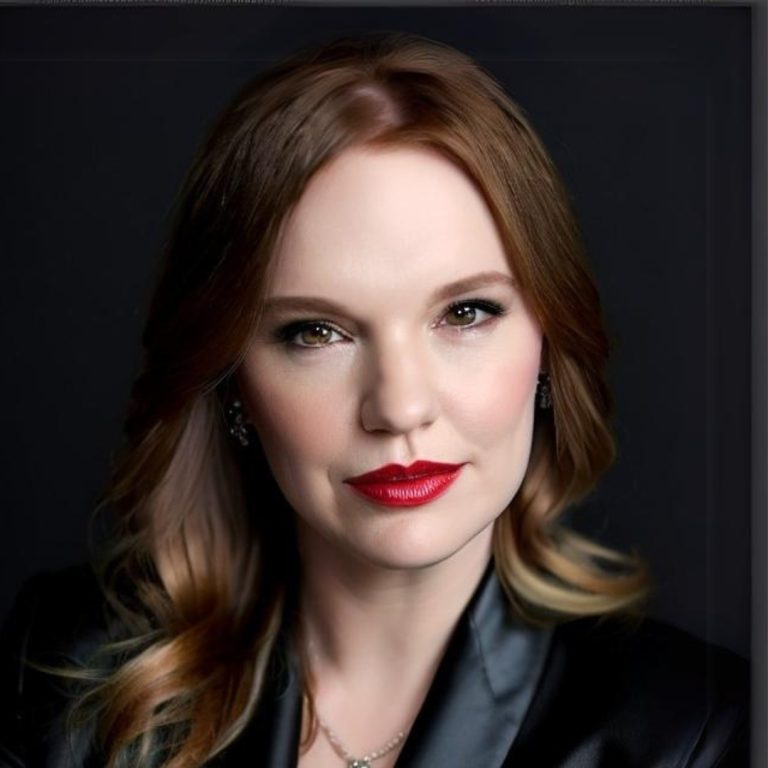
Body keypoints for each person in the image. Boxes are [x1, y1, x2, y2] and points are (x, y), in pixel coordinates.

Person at [0, 32, 748, 768]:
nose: (399, 406)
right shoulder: (63, 674)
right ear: (233, 384)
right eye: (316, 332)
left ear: (548, 344)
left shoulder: (695, 736)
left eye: (465, 313)